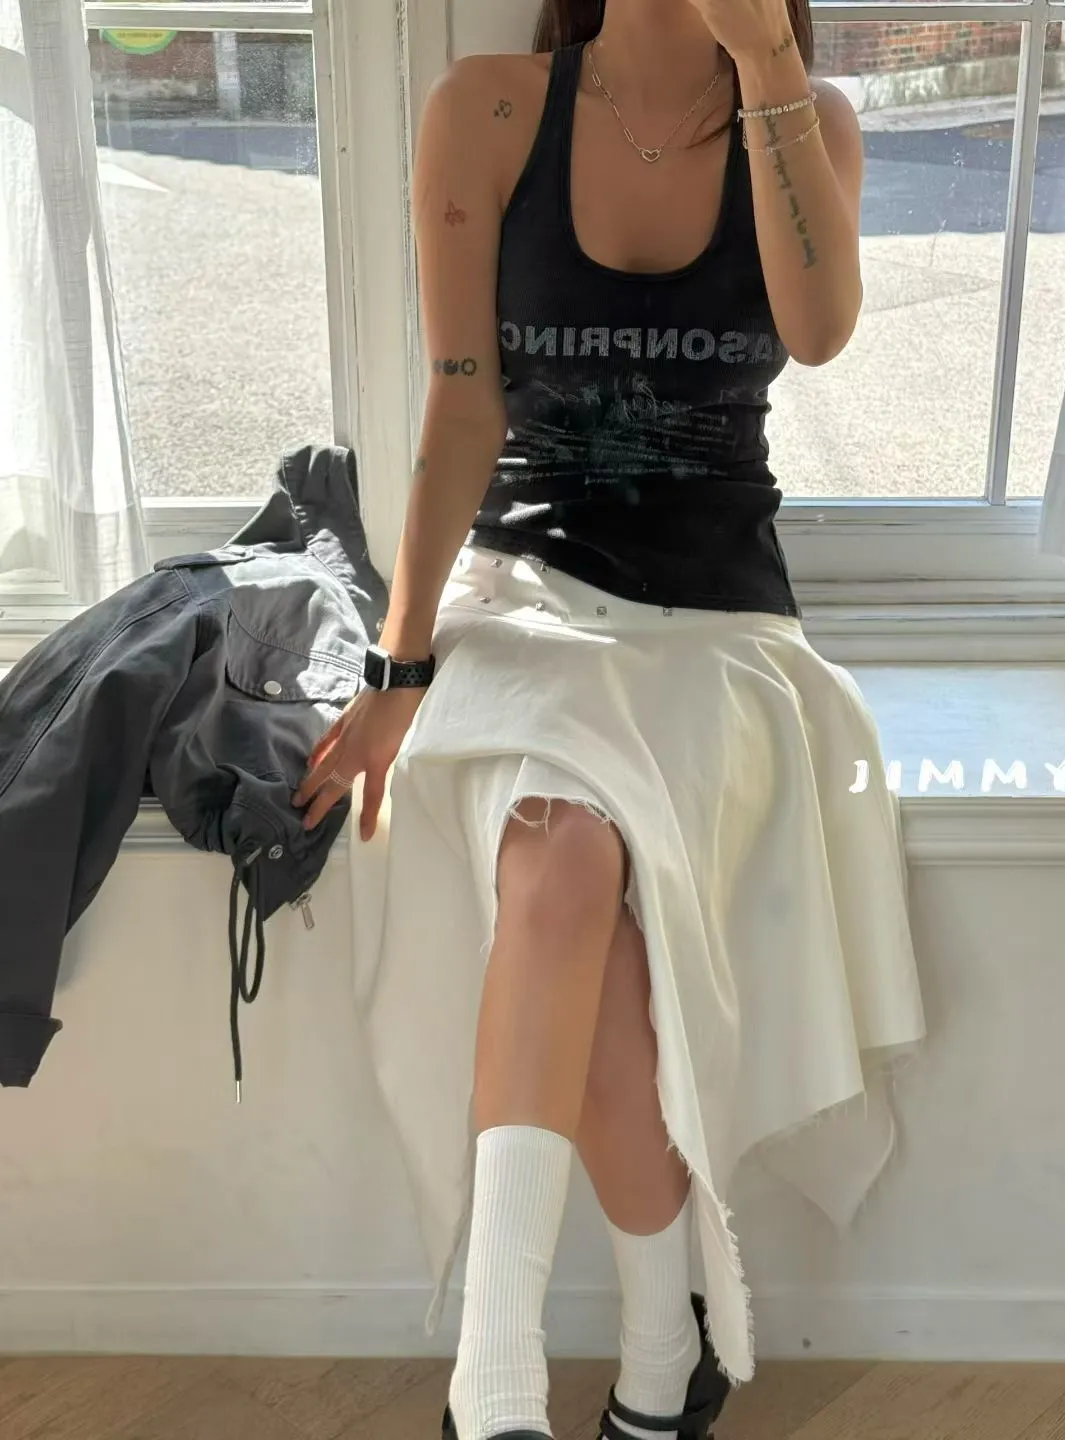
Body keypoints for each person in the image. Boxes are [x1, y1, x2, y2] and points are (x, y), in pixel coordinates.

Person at [294, 1, 926, 1437]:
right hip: (526, 600)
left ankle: (616, 1354)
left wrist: (767, 64)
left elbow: (819, 332)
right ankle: (523, 1379)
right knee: (563, 848)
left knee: (574, 873)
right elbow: (461, 415)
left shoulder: (809, 119)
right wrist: (395, 675)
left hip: (718, 630)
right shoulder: (488, 109)